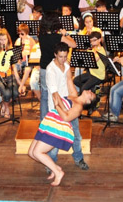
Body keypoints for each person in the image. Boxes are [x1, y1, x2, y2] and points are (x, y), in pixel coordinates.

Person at [28, 89, 95, 186]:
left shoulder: (79, 106)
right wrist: (54, 91)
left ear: (88, 101)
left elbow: (66, 117)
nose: (89, 90)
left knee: (37, 152)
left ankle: (58, 172)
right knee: (31, 153)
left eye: (91, 93)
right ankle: (54, 167)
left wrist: (56, 106)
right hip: (50, 122)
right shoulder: (73, 96)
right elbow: (60, 94)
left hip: (57, 128)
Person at [45, 42, 89, 171]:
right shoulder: (50, 70)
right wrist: (64, 112)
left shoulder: (66, 64)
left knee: (76, 135)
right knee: (55, 138)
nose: (63, 59)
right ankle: (50, 163)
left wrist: (76, 102)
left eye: (65, 56)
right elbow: (55, 95)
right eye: (60, 57)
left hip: (69, 104)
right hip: (57, 107)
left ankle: (78, 158)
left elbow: (70, 81)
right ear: (55, 55)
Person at [38, 11, 77, 120]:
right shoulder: (58, 37)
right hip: (56, 68)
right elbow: (74, 44)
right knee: (58, 94)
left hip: (43, 67)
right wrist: (66, 34)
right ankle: (57, 119)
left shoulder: (41, 35)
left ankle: (44, 121)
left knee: (45, 96)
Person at [0, 29, 20, 118]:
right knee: (6, 93)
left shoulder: (10, 50)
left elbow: (13, 66)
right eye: (1, 40)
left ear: (8, 39)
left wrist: (20, 82)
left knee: (15, 93)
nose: (3, 42)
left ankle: (4, 104)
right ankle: (7, 108)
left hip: (9, 75)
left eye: (4, 39)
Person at [14, 24, 36, 96]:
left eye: (22, 34)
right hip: (21, 61)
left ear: (26, 33)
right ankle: (22, 86)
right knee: (14, 68)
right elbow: (15, 53)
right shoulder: (18, 41)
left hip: (28, 61)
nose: (20, 36)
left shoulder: (31, 40)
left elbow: (35, 52)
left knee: (27, 70)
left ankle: (21, 87)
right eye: (19, 34)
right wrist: (18, 58)